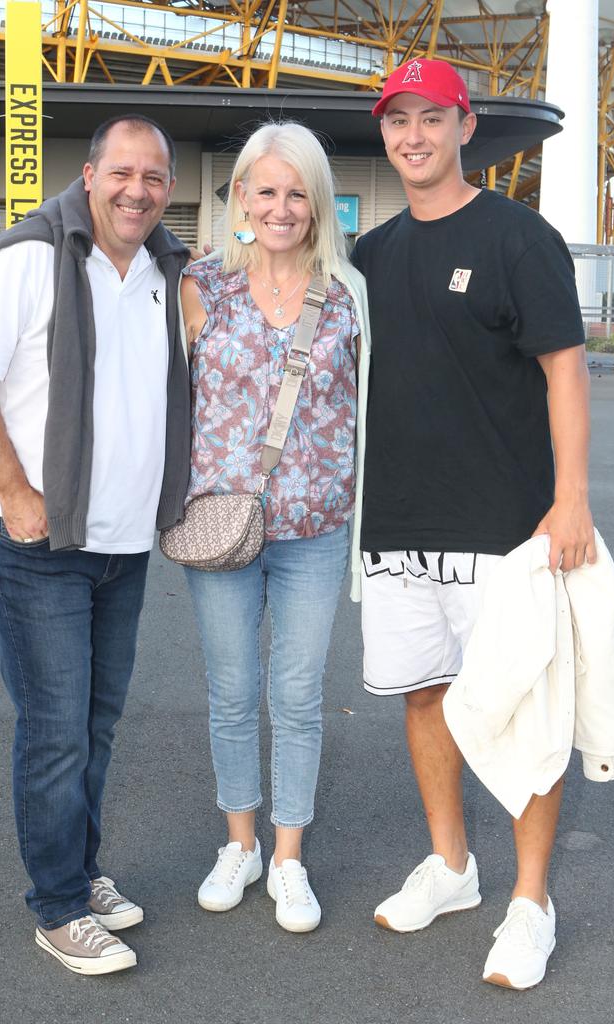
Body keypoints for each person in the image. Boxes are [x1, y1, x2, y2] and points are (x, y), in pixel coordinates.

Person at [349, 59, 595, 989]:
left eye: (432, 118)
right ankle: (453, 868)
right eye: (398, 120)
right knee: (427, 697)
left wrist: (570, 500)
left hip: (509, 531)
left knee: (531, 715)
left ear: (466, 126)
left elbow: (565, 371)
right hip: (400, 529)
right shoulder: (371, 253)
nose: (414, 135)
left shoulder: (520, 239)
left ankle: (531, 902)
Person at [0, 114, 190, 975]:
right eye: (122, 173)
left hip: (122, 545)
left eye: (154, 177)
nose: (138, 190)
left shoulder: (163, 269)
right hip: (38, 542)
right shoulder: (29, 258)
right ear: (89, 177)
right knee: (56, 732)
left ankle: (80, 876)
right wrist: (14, 493)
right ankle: (55, 907)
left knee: (95, 723)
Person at [179, 122, 369, 933]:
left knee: (295, 696)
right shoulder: (200, 286)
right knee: (231, 692)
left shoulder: (351, 294)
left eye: (298, 192)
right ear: (241, 201)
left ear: (319, 202)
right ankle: (241, 843)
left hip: (317, 528)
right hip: (220, 524)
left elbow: (380, 404)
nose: (283, 207)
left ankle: (289, 857)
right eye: (267, 191)